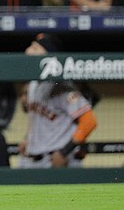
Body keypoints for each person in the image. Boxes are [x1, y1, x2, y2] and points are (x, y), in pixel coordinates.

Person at [18, 34, 98, 169]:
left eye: (35, 48)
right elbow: (37, 119)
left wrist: (64, 152)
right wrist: (29, 140)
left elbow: (89, 122)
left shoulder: (62, 86)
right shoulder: (33, 84)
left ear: (49, 57)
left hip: (57, 161)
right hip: (34, 160)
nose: (28, 51)